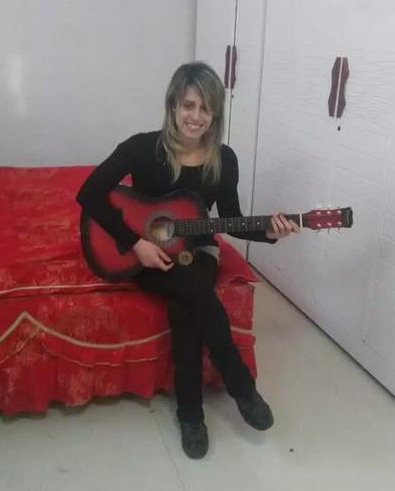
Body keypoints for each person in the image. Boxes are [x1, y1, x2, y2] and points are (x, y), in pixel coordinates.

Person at [76, 62, 299, 459]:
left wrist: (269, 232)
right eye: (189, 105)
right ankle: (240, 387)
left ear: (216, 114)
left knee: (187, 304)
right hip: (146, 254)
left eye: (206, 108)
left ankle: (191, 415)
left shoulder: (224, 159)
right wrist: (135, 243)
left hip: (199, 250)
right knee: (193, 295)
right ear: (173, 106)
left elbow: (232, 219)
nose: (196, 116)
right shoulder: (141, 148)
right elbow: (89, 194)